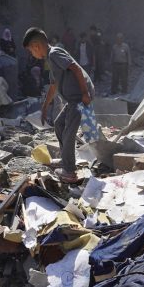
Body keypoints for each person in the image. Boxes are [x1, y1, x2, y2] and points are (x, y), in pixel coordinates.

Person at [23, 27, 94, 183]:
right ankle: (65, 160)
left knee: (69, 133)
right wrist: (44, 107)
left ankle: (70, 172)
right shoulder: (51, 59)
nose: (32, 54)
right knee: (59, 124)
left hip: (79, 98)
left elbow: (75, 68)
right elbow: (54, 85)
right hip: (72, 100)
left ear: (36, 46)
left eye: (31, 51)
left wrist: (85, 93)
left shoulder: (55, 53)